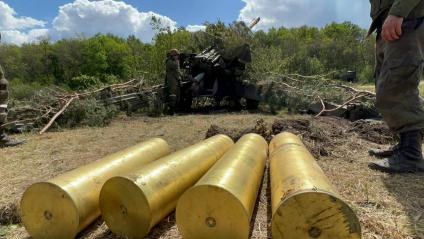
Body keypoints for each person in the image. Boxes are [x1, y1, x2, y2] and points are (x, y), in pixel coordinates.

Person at [368, 0, 424, 172]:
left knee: (398, 85)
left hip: (406, 18)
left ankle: (411, 154)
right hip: (388, 20)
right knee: (386, 85)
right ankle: (404, 145)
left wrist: (398, 12)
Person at [164, 49, 182, 114]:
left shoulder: (175, 61)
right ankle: (171, 110)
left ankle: (175, 109)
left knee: (177, 96)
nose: (177, 57)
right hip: (172, 81)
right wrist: (177, 62)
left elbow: (178, 71)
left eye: (177, 55)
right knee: (172, 95)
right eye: (176, 55)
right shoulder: (169, 62)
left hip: (176, 80)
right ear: (172, 56)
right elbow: (175, 67)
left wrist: (180, 78)